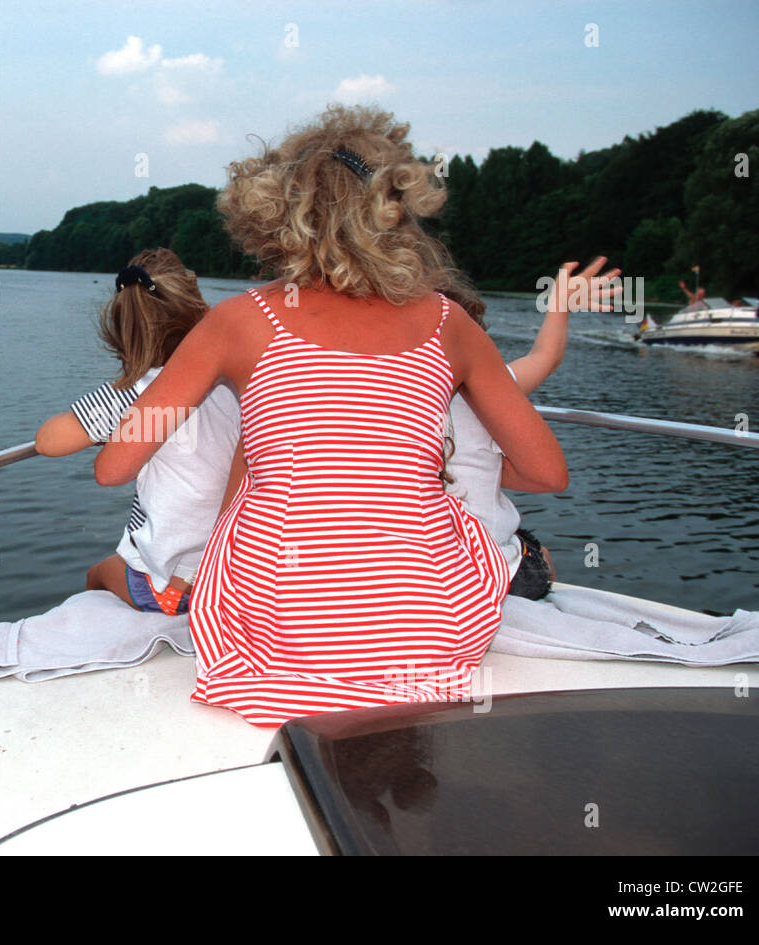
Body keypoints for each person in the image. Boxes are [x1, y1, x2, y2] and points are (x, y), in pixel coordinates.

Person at [96, 105, 568, 726]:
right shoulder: (451, 324)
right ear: (396, 213)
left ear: (276, 215)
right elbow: (546, 472)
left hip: (283, 635)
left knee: (250, 513)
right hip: (430, 636)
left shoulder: (239, 321)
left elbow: (116, 464)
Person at [35, 248, 240, 616]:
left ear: (122, 334)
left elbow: (48, 442)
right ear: (203, 314)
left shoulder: (134, 395)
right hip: (230, 583)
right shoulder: (232, 385)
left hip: (170, 591)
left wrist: (112, 421)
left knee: (97, 574)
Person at [443, 259, 621, 600]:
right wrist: (559, 306)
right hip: (488, 574)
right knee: (540, 555)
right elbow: (546, 357)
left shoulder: (377, 397)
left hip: (422, 564)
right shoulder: (491, 387)